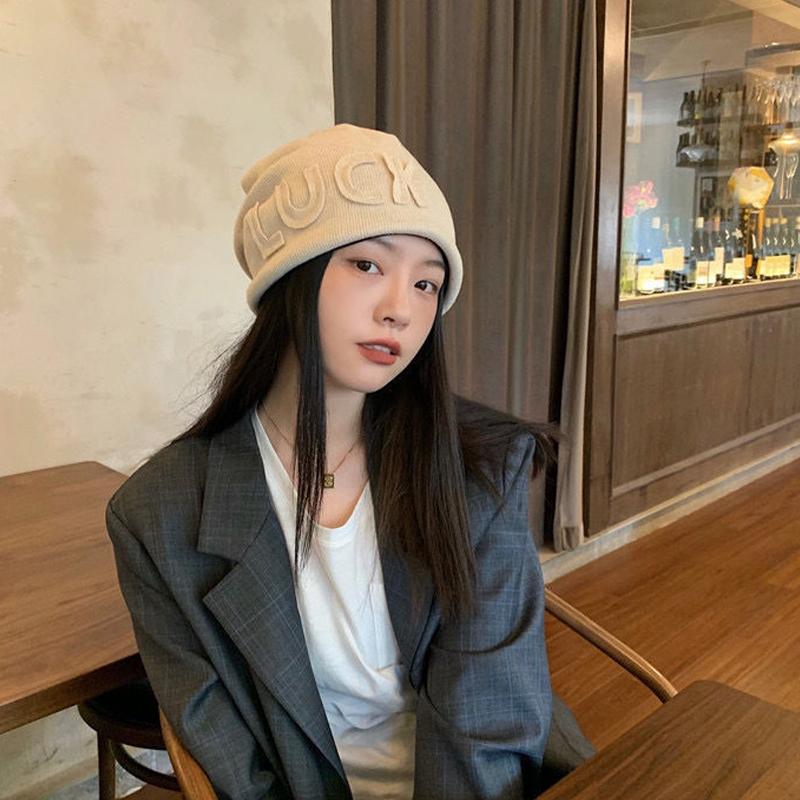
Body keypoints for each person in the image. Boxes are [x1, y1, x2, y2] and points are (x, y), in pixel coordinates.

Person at [106, 123, 560, 800]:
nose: (400, 310)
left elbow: (489, 723)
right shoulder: (158, 514)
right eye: (367, 265)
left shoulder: (480, 468)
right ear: (289, 277)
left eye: (427, 284)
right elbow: (226, 751)